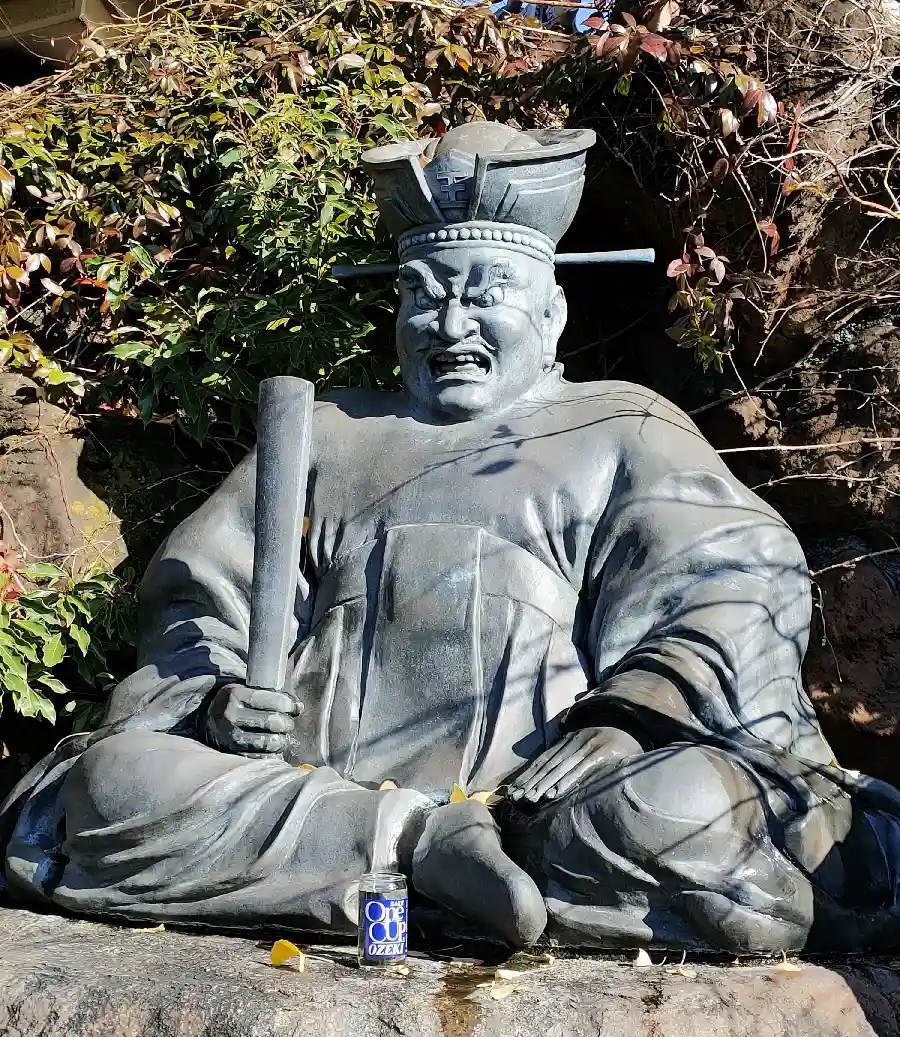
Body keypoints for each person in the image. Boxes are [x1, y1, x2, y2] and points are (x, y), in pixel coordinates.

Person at [4, 122, 900, 955]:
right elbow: (200, 602)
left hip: (546, 796)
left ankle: (468, 861)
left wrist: (631, 718)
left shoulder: (622, 426)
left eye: (486, 295)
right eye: (422, 297)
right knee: (112, 786)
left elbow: (737, 581)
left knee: (685, 807)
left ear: (551, 314)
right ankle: (421, 848)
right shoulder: (324, 434)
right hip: (314, 790)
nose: (450, 324)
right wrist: (214, 700)